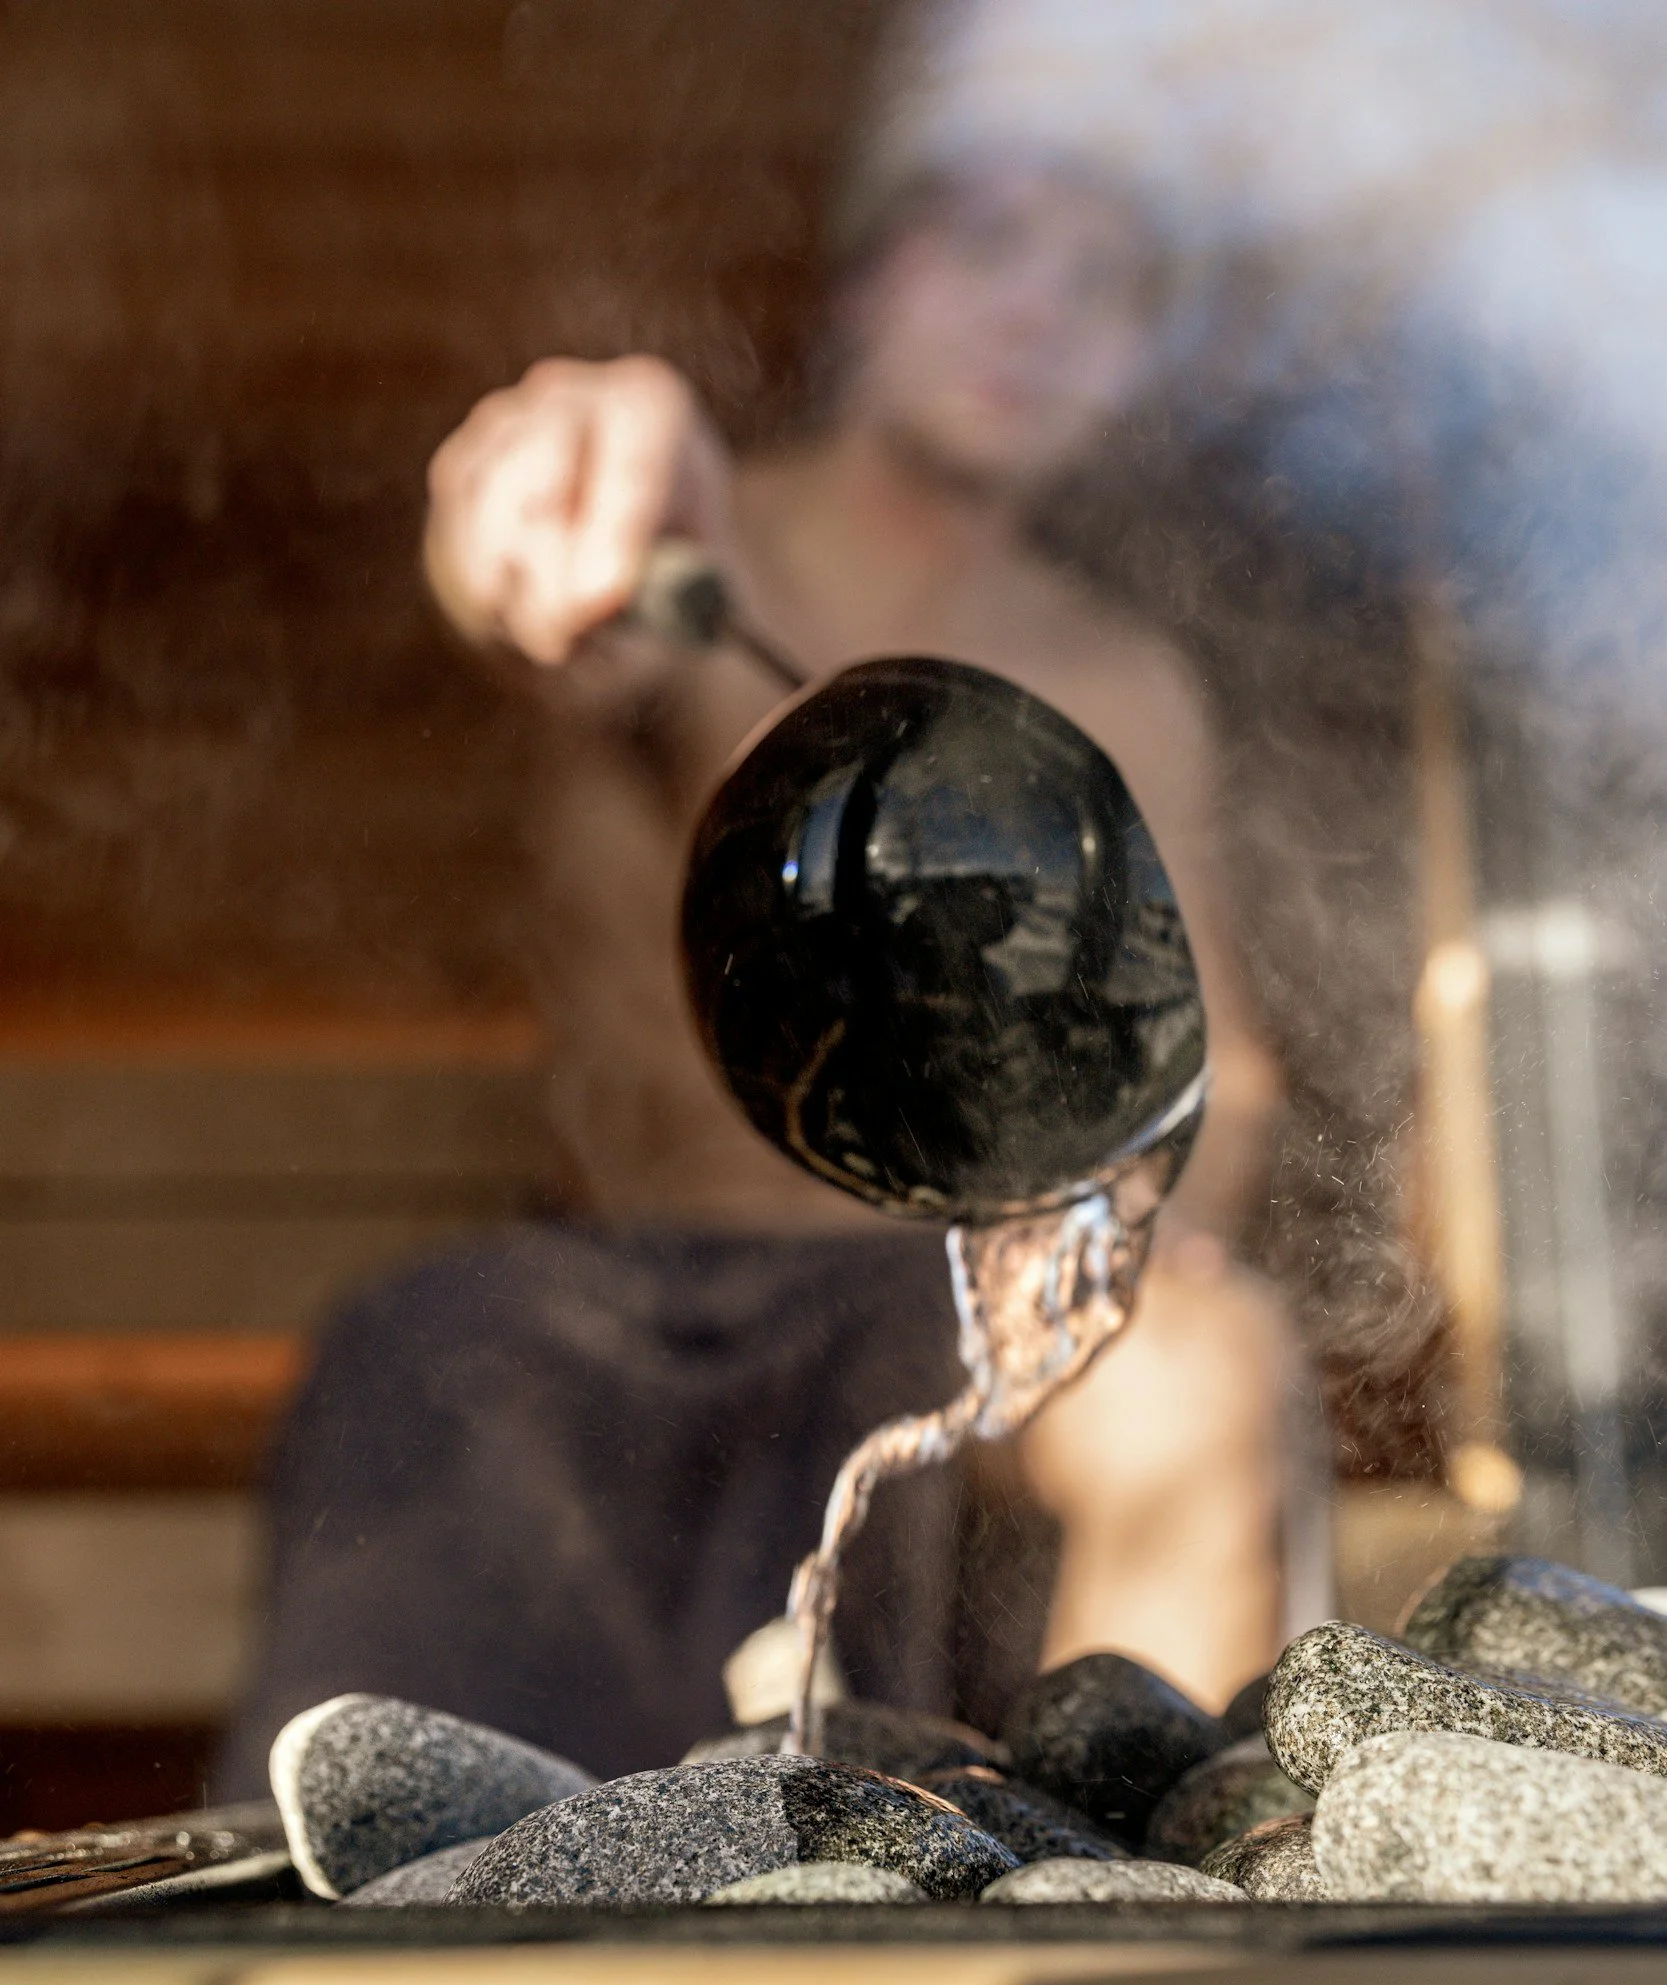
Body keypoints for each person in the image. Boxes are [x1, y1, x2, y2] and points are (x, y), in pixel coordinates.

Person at [217, 153, 1324, 1799]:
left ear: (1129, 374)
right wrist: (550, 487)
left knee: (1213, 1371)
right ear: (869, 285)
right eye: (992, 242)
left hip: (958, 1313)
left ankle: (1144, 1950)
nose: (1037, 309)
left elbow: (1209, 1065)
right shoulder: (702, 553)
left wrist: (1128, 1223)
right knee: (439, 1349)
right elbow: (559, 601)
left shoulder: (1118, 680)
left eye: (1100, 287)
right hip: (642, 1286)